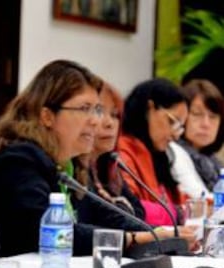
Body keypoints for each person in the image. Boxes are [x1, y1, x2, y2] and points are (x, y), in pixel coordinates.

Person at [0, 59, 105, 257]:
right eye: (85, 109)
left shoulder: (70, 163)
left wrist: (156, 233)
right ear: (48, 116)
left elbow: (106, 216)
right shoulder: (18, 161)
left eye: (97, 110)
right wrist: (125, 239)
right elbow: (42, 231)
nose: (95, 121)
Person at [74, 82, 197, 249]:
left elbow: (134, 214)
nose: (110, 123)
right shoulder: (124, 152)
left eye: (116, 115)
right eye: (172, 121)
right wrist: (162, 231)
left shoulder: (111, 164)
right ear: (150, 109)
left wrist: (165, 235)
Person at [118, 78, 188, 227]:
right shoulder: (122, 149)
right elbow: (132, 208)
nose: (176, 135)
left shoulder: (158, 155)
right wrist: (178, 213)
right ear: (150, 108)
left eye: (180, 127)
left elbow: (179, 202)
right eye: (172, 122)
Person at [169, 79, 224, 199]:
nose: (206, 124)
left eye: (213, 117)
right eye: (197, 114)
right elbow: (201, 200)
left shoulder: (215, 164)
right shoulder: (173, 153)